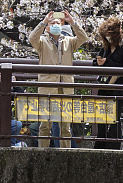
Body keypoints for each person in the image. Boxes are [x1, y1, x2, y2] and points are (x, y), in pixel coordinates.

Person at [28, 9, 89, 148]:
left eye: (58, 22)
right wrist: (43, 22)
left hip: (65, 87)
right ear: (47, 27)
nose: (56, 24)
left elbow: (83, 37)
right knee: (45, 125)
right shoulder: (42, 41)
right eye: (52, 23)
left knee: (65, 128)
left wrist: (72, 22)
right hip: (48, 87)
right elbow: (32, 38)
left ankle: (65, 154)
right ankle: (42, 153)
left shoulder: (68, 41)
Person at [93, 17, 123, 149]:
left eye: (109, 35)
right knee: (101, 117)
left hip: (118, 86)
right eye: (105, 36)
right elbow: (96, 61)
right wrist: (97, 62)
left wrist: (107, 62)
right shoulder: (105, 47)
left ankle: (113, 146)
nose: (107, 38)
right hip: (104, 86)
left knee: (114, 118)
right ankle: (100, 145)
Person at [0, 72, 23, 146]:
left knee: (18, 124)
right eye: (0, 74)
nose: (4, 76)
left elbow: (21, 96)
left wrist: (15, 84)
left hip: (7, 119)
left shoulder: (10, 88)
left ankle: (11, 143)